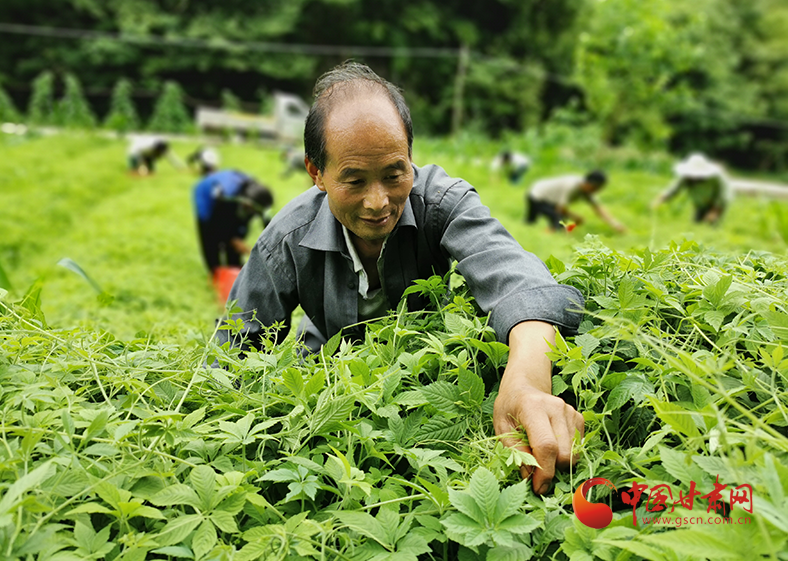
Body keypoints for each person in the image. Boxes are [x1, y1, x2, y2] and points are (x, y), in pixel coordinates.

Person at [220, 61, 585, 495]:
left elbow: (520, 281)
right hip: (329, 380)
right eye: (354, 180)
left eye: (395, 175)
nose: (378, 203)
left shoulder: (442, 202)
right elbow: (231, 353)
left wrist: (525, 382)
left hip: (427, 377)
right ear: (316, 173)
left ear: (411, 159)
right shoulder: (287, 238)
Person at [193, 169, 273, 273]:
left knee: (236, 241)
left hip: (234, 201)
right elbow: (215, 226)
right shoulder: (225, 196)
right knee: (211, 241)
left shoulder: (257, 199)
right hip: (208, 198)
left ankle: (235, 270)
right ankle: (215, 272)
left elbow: (266, 226)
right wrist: (231, 239)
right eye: (249, 208)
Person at [526, 170, 626, 233]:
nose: (596, 191)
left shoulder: (587, 190)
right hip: (537, 196)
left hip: (549, 199)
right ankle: (546, 234)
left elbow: (598, 208)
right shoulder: (571, 186)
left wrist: (615, 224)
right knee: (555, 223)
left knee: (533, 224)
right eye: (595, 188)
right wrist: (575, 218)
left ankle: (543, 232)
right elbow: (560, 208)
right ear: (588, 184)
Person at [651, 153, 732, 224]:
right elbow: (673, 189)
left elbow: (724, 195)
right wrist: (658, 201)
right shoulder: (686, 176)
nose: (694, 177)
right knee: (696, 224)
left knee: (711, 224)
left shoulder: (716, 177)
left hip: (716, 203)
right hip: (699, 203)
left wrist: (714, 211)